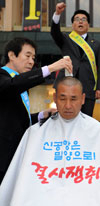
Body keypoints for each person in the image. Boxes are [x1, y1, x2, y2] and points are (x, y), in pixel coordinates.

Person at [0, 77, 100, 206]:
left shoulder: (99, 132)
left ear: (82, 99)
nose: (68, 105)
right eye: (62, 98)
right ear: (55, 98)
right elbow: (20, 181)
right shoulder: (36, 132)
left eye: (73, 99)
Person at [0, 37, 72, 184]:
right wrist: (50, 68)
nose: (31, 62)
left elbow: (17, 119)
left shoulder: (19, 84)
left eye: (33, 58)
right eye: (27, 56)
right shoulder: (4, 77)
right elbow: (12, 86)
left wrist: (42, 114)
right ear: (12, 55)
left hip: (14, 152)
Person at [51, 2, 100, 117]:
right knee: (65, 117)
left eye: (83, 19)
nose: (80, 21)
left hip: (88, 87)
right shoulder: (66, 39)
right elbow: (54, 33)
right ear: (72, 25)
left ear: (88, 24)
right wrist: (57, 14)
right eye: (77, 19)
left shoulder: (97, 44)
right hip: (66, 83)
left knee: (86, 119)